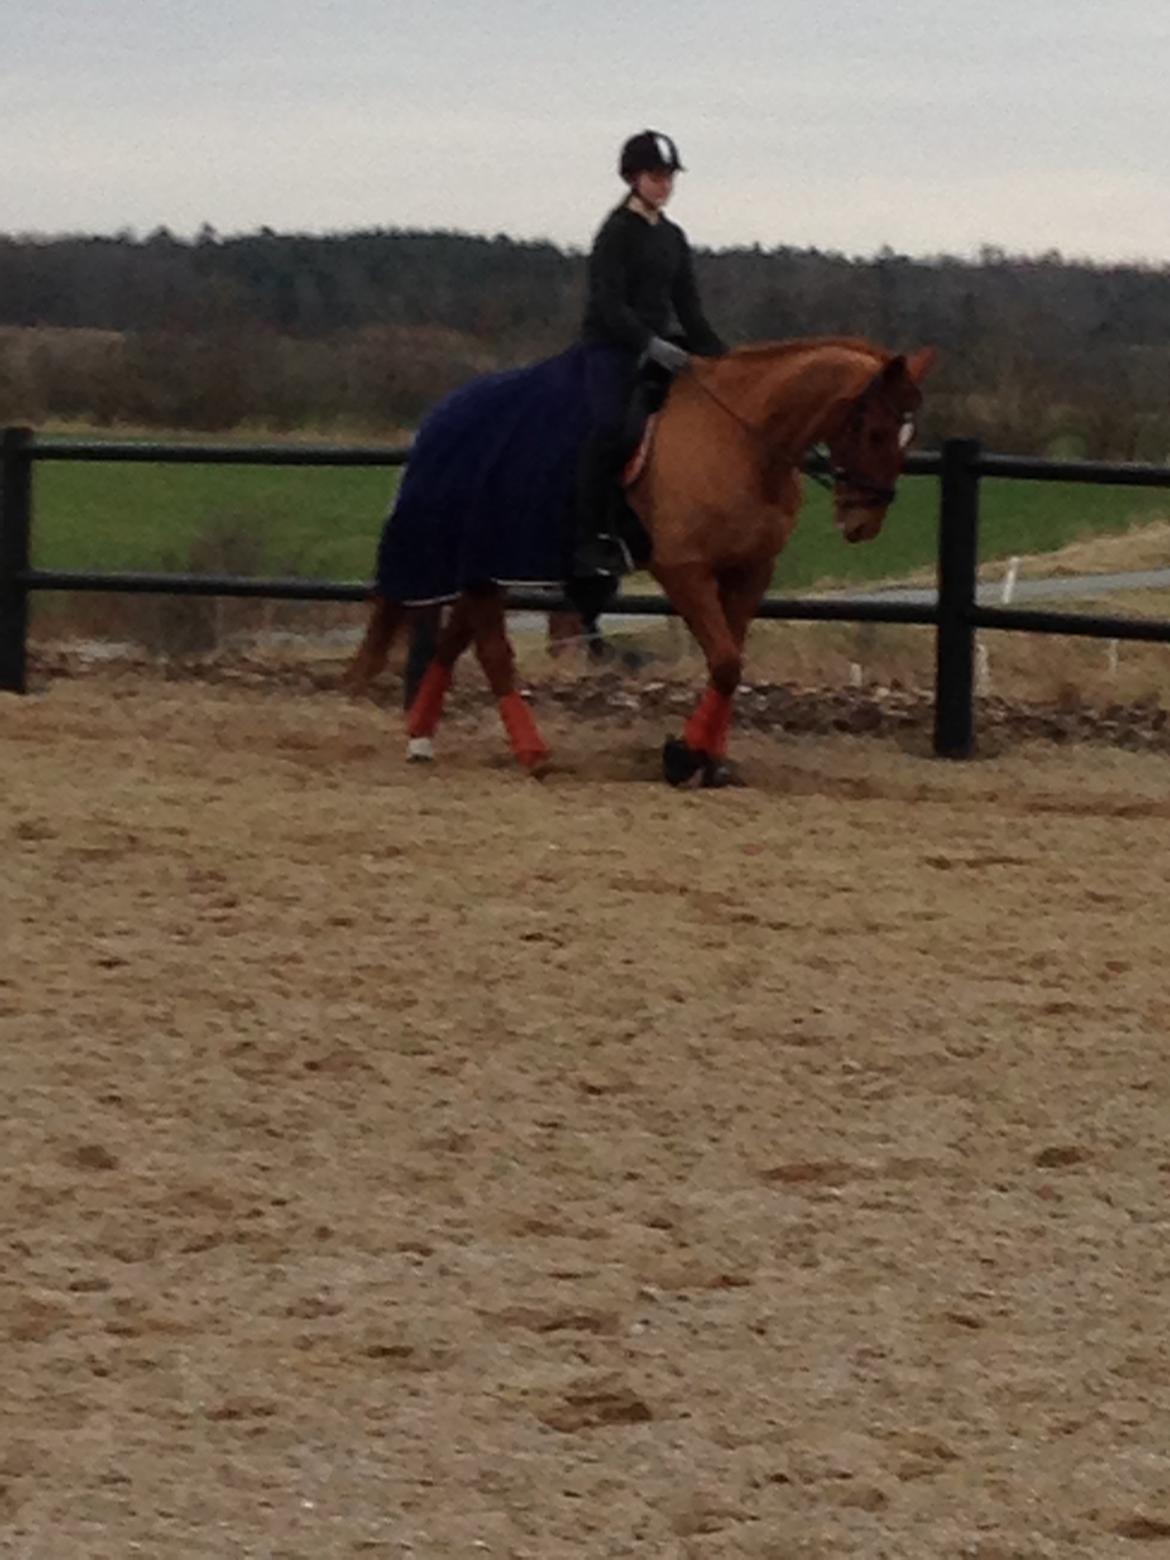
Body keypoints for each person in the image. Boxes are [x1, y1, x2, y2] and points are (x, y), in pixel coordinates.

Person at [571, 129, 726, 585]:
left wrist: (722, 359)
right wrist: (649, 343)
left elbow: (691, 310)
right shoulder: (616, 232)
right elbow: (608, 304)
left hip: (661, 346)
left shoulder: (673, 237)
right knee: (608, 430)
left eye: (669, 177)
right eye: (656, 177)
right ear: (633, 178)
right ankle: (589, 538)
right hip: (611, 347)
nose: (665, 185)